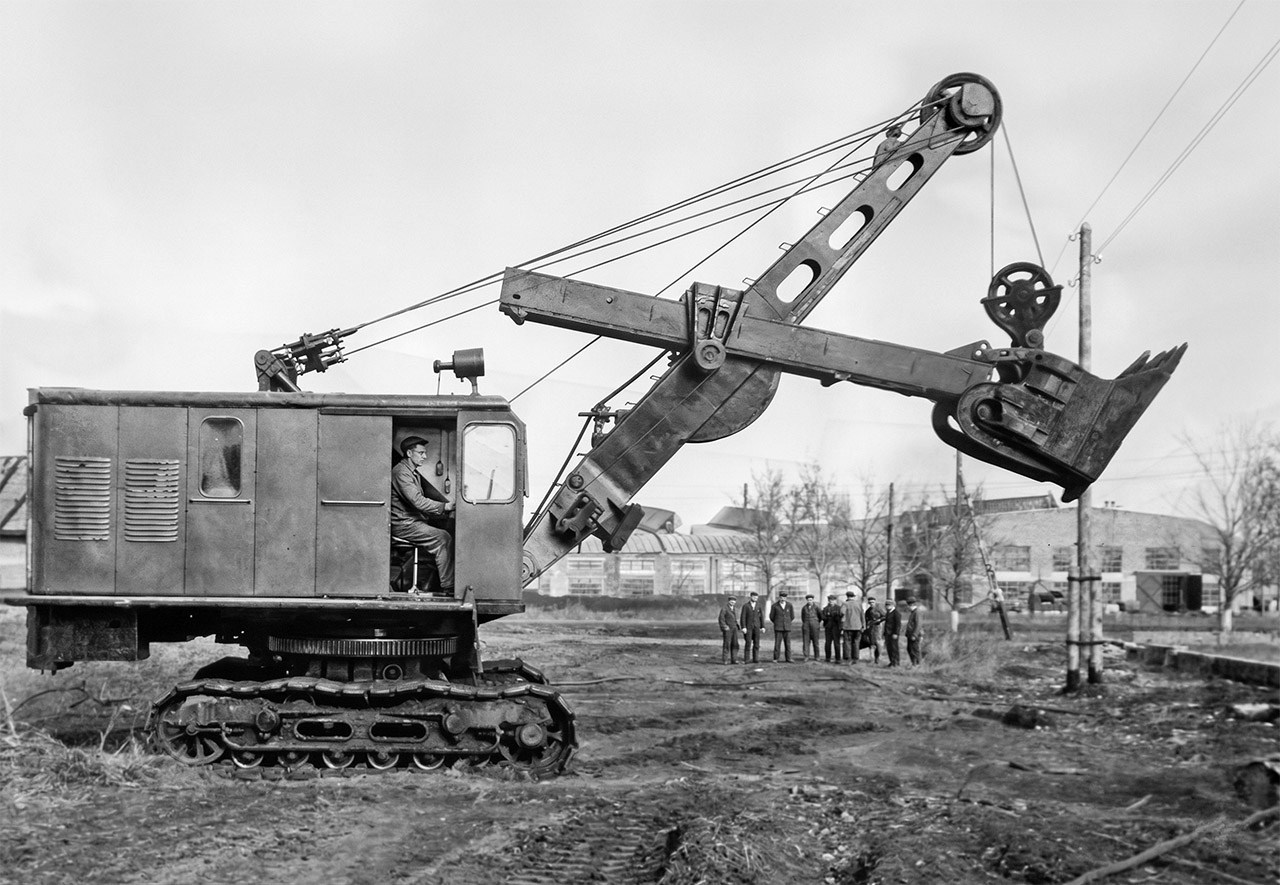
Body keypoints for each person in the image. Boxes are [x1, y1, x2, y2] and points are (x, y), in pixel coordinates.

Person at [391, 436, 455, 593]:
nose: (425, 457)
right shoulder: (401, 473)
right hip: (404, 525)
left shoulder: (413, 473)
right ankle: (449, 587)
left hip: (411, 522)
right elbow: (418, 501)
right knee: (443, 538)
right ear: (409, 453)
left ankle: (437, 580)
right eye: (421, 453)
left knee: (450, 528)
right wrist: (444, 507)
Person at [739, 591, 766, 663]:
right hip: (748, 628)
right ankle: (747, 659)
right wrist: (743, 627)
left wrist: (762, 627)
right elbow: (743, 617)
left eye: (757, 598)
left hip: (757, 627)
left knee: (756, 643)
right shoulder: (746, 606)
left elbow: (761, 617)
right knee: (748, 643)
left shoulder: (759, 606)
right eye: (754, 597)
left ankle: (755, 659)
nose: (755, 599)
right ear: (751, 597)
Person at [769, 591, 795, 663]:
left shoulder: (789, 605)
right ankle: (776, 658)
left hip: (787, 628)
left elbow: (792, 616)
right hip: (778, 628)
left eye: (784, 597)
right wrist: (777, 622)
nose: (783, 599)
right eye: (781, 597)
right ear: (779, 597)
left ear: (786, 598)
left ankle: (788, 658)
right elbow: (771, 617)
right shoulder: (774, 606)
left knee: (788, 644)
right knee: (777, 643)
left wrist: (787, 622)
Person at [840, 590, 865, 663]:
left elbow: (841, 612)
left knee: (847, 642)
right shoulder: (859, 604)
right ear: (853, 597)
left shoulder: (845, 604)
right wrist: (863, 626)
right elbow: (862, 615)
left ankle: (848, 658)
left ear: (847, 596)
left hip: (847, 627)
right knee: (856, 642)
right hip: (858, 626)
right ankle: (856, 658)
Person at [717, 596, 742, 665]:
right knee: (726, 644)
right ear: (728, 601)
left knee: (735, 644)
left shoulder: (736, 609)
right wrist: (725, 627)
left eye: (734, 601)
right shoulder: (724, 609)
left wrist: (739, 627)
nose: (732, 602)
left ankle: (734, 660)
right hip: (728, 629)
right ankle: (725, 660)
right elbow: (721, 619)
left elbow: (737, 620)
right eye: (731, 601)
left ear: (735, 602)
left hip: (735, 629)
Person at [799, 594, 822, 662]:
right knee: (806, 642)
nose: (809, 601)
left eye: (811, 600)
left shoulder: (817, 607)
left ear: (813, 600)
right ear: (807, 600)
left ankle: (817, 656)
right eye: (808, 600)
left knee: (816, 642)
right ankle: (806, 656)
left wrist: (816, 622)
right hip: (806, 626)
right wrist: (806, 623)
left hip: (815, 626)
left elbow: (820, 616)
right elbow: (803, 617)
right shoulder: (804, 608)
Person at [863, 594, 886, 664]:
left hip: (878, 627)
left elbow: (885, 616)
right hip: (870, 628)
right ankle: (872, 658)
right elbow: (865, 619)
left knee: (878, 643)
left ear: (875, 602)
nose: (871, 604)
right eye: (870, 603)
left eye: (872, 602)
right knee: (871, 643)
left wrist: (879, 620)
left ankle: (878, 657)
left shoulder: (879, 609)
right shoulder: (867, 611)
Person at [821, 593, 844, 662]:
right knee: (827, 643)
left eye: (833, 600)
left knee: (836, 643)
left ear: (835, 601)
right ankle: (828, 658)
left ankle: (838, 658)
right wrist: (826, 617)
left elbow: (841, 617)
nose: (831, 601)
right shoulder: (825, 608)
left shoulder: (839, 608)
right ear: (828, 600)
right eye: (830, 600)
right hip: (828, 628)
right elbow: (823, 617)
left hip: (836, 628)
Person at [883, 596, 902, 667]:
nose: (887, 606)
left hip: (893, 634)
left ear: (893, 605)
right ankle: (892, 661)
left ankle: (896, 662)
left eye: (889, 605)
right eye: (886, 605)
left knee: (894, 649)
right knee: (889, 649)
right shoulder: (888, 613)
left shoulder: (896, 613)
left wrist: (896, 633)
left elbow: (898, 625)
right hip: (888, 634)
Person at [905, 596, 924, 665]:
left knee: (915, 650)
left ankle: (918, 664)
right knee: (910, 649)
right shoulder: (913, 612)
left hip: (915, 635)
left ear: (912, 605)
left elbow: (918, 624)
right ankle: (914, 664)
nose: (908, 607)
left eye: (908, 605)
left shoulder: (917, 612)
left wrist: (914, 635)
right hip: (910, 634)